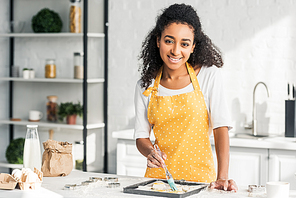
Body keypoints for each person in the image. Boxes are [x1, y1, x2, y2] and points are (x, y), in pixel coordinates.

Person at [134, 3, 237, 192]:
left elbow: (220, 127)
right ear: (158, 41)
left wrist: (222, 177)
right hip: (158, 183)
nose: (175, 51)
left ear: (193, 46)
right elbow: (141, 137)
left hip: (200, 182)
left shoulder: (208, 75)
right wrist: (150, 152)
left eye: (184, 43)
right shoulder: (145, 85)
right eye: (169, 41)